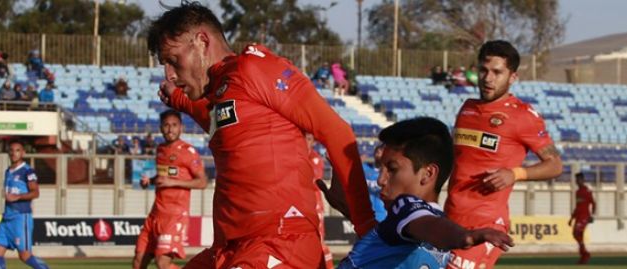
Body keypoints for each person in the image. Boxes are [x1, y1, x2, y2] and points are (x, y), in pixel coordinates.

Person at [147, 3, 376, 267]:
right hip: (229, 249)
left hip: (279, 241)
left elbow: (337, 131)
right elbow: (219, 119)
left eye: (173, 61)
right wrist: (178, 98)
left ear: (201, 41)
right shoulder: (221, 94)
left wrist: (366, 226)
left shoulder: (254, 68)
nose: (170, 74)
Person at [445, 40, 563, 269]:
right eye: (483, 70)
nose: (488, 78)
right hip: (452, 221)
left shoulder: (523, 115)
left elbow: (555, 165)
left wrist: (514, 173)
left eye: (497, 72)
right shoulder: (467, 108)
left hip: (486, 224)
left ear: (512, 77)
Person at [338, 117, 514, 269]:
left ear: (428, 174)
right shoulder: (422, 221)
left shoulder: (407, 208)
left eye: (392, 169)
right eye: (380, 168)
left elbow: (425, 224)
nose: (380, 180)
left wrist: (464, 236)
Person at [133, 110, 209, 269]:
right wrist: (151, 180)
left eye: (174, 125)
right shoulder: (160, 150)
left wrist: (173, 183)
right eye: (166, 125)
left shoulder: (188, 152)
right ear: (161, 128)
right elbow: (165, 175)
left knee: (163, 263)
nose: (170, 129)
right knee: (138, 262)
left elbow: (202, 182)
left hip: (174, 215)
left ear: (181, 127)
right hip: (155, 215)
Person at [0, 140, 50, 269]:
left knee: (25, 256)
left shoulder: (27, 171)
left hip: (20, 217)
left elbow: (35, 193)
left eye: (17, 150)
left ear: (23, 153)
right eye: (11, 150)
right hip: (7, 217)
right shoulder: (8, 171)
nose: (14, 153)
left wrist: (18, 197)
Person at [306, 133, 334, 269]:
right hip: (300, 203)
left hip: (314, 204)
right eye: (303, 138)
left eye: (309, 139)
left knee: (318, 240)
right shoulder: (295, 156)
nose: (305, 142)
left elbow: (311, 180)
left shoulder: (315, 159)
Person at [568, 172, 596, 264]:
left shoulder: (587, 191)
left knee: (577, 232)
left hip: (585, 217)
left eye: (579, 179)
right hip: (578, 217)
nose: (577, 181)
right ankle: (584, 255)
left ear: (583, 180)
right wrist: (571, 218)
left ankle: (585, 254)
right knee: (576, 235)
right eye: (576, 180)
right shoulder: (577, 192)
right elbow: (577, 206)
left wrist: (592, 215)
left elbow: (593, 203)